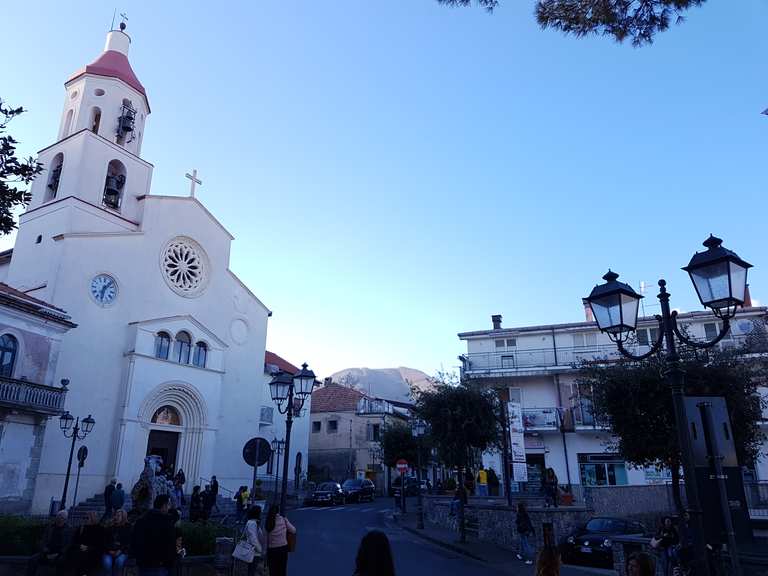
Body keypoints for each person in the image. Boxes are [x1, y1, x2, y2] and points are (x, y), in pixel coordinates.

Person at [132, 494, 178, 576]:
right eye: (169, 504)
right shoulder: (167, 522)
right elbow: (170, 544)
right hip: (160, 565)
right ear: (164, 505)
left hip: (143, 563)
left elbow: (135, 541)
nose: (169, 507)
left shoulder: (141, 520)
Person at [27, 510, 72, 576]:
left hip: (59, 553)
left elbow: (68, 544)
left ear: (65, 520)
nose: (60, 519)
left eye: (62, 518)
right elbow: (43, 540)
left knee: (61, 563)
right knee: (32, 560)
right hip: (47, 551)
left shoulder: (68, 529)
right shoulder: (50, 527)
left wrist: (58, 554)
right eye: (58, 517)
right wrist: (44, 548)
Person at [266, 504, 296, 576]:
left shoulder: (268, 522)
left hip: (271, 549)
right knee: (282, 569)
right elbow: (293, 530)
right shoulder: (283, 519)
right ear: (278, 511)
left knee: (272, 570)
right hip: (283, 548)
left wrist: (264, 551)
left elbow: (265, 538)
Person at [72, 512, 104, 576]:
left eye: (88, 518)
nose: (86, 520)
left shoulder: (99, 529)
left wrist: (88, 548)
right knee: (77, 555)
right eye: (85, 518)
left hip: (93, 551)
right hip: (80, 550)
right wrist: (80, 546)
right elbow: (75, 541)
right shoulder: (82, 528)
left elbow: (100, 544)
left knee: (88, 556)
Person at [102, 509, 131, 576]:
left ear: (123, 517)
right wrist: (109, 550)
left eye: (118, 516)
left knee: (119, 562)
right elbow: (105, 541)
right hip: (109, 551)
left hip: (122, 551)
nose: (116, 517)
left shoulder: (128, 527)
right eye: (115, 515)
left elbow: (128, 542)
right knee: (107, 563)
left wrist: (120, 550)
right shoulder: (110, 527)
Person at [239, 506, 266, 576]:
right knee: (251, 571)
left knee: (252, 570)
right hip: (253, 551)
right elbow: (253, 539)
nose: (261, 514)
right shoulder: (252, 523)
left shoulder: (254, 522)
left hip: (254, 551)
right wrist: (260, 549)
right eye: (260, 512)